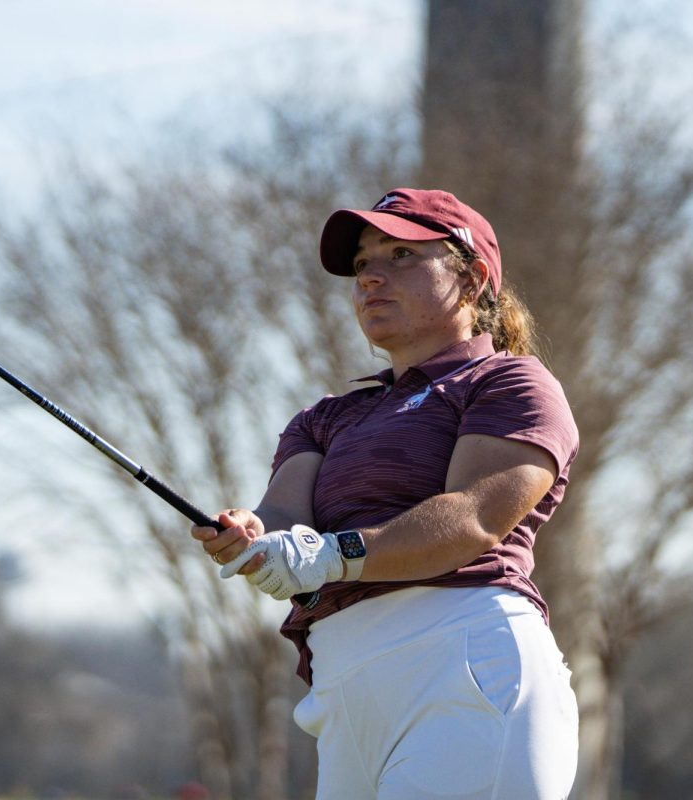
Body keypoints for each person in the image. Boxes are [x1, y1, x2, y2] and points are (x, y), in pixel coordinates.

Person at [191, 188, 579, 799]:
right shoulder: (325, 418)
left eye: (400, 255)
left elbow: (474, 517)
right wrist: (251, 536)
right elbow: (286, 517)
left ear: (473, 278)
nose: (370, 276)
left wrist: (331, 555)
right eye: (363, 263)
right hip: (346, 689)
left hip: (463, 662)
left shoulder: (510, 381)